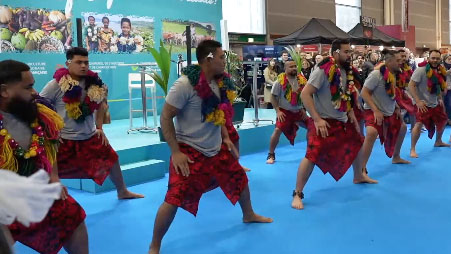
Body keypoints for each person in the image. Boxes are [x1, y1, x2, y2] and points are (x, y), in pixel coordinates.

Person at [148, 40, 272, 254]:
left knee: (239, 178)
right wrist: (175, 152)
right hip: (189, 150)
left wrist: (225, 137)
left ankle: (248, 214)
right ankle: (154, 245)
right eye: (222, 57)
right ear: (208, 59)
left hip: (216, 148)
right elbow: (166, 117)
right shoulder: (184, 85)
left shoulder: (219, 82)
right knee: (174, 198)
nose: (225, 61)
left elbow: (219, 113)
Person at [0, 60, 88, 254]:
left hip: (36, 189)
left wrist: (54, 179)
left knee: (73, 215)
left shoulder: (40, 114)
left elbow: (50, 146)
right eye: (28, 87)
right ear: (4, 91)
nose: (34, 92)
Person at [40, 47, 143, 200]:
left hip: (89, 135)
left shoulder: (95, 82)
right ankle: (48, 201)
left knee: (112, 159)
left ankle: (122, 191)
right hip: (63, 140)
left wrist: (99, 128)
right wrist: (51, 132)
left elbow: (101, 104)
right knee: (45, 169)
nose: (83, 66)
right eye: (79, 62)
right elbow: (40, 107)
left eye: (86, 62)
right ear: (68, 63)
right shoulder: (55, 85)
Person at [291, 40, 373, 210]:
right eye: (346, 52)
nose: (349, 55)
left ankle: (358, 175)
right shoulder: (322, 71)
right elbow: (306, 94)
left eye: (350, 52)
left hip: (342, 119)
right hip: (322, 121)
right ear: (335, 53)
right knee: (312, 155)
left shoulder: (347, 70)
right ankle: (297, 193)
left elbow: (346, 94)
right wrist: (316, 119)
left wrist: (350, 112)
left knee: (357, 142)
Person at [359, 50, 409, 169]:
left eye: (401, 60)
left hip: (389, 111)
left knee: (402, 128)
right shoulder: (376, 74)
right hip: (372, 110)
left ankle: (396, 157)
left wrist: (396, 107)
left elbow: (392, 93)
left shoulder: (395, 74)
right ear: (389, 61)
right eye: (397, 60)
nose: (400, 62)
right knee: (371, 133)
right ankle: (361, 168)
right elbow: (364, 93)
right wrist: (376, 110)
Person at [408, 50, 451, 158]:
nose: (435, 60)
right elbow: (411, 85)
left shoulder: (440, 71)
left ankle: (438, 141)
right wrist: (417, 101)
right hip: (422, 104)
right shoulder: (420, 70)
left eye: (437, 58)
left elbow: (437, 86)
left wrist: (440, 98)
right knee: (418, 124)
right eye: (433, 58)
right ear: (428, 59)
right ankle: (412, 149)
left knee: (443, 120)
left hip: (435, 102)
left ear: (440, 59)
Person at [266, 61, 308, 164]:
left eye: (295, 66)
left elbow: (305, 96)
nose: (294, 68)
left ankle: (312, 152)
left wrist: (303, 109)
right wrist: (278, 111)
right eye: (291, 67)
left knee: (313, 127)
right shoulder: (280, 81)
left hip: (299, 111)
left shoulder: (301, 80)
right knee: (277, 131)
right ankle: (271, 154)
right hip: (285, 112)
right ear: (285, 69)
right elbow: (273, 97)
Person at [442, 54, 451, 124]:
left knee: (450, 104)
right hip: (443, 88)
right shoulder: (442, 66)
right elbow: (442, 74)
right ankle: (442, 119)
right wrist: (449, 71)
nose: (450, 61)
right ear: (444, 60)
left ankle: (448, 118)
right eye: (448, 59)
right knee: (442, 104)